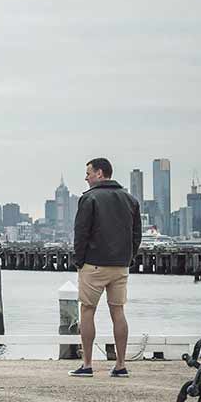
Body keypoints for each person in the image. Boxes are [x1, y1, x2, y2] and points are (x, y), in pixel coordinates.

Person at [69, 158, 141, 377]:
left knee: (87, 310)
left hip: (94, 264)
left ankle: (87, 364)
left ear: (100, 173)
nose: (86, 177)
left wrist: (79, 261)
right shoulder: (130, 199)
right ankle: (120, 365)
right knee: (118, 311)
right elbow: (136, 235)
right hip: (120, 266)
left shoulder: (89, 198)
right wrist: (129, 258)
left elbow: (81, 233)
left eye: (89, 172)